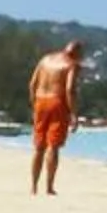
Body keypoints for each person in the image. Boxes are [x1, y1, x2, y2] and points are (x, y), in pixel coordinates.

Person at [27, 40, 84, 194]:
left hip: (40, 100)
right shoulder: (71, 64)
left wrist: (34, 104)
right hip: (57, 102)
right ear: (77, 53)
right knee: (53, 145)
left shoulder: (45, 60)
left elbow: (32, 84)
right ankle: (49, 187)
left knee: (39, 147)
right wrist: (73, 113)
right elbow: (69, 89)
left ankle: (33, 187)